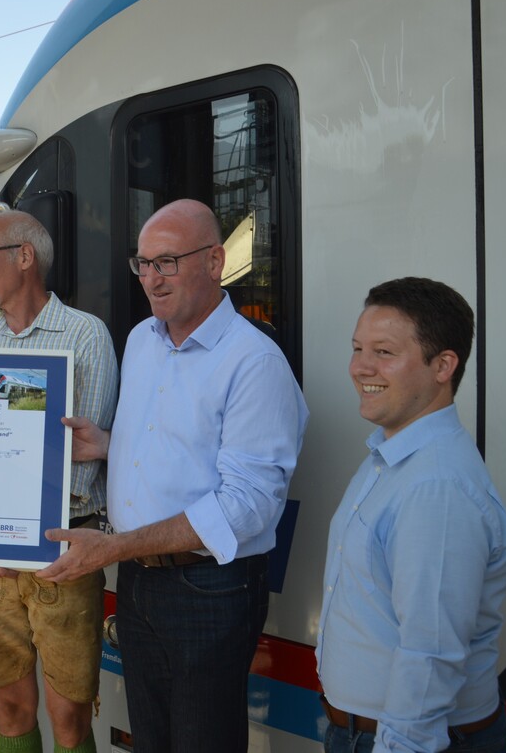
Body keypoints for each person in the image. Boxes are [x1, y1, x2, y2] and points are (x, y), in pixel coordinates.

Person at [38, 198, 308, 752]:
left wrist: (116, 547)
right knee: (152, 738)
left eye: (167, 262)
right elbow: (174, 447)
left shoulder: (255, 362)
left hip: (208, 588)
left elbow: (247, 505)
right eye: (142, 264)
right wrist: (107, 445)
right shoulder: (143, 339)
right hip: (140, 581)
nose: (151, 279)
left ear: (215, 262)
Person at [316, 277, 506, 752]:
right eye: (358, 348)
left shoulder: (436, 487)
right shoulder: (393, 456)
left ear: (443, 366)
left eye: (383, 352)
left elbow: (431, 653)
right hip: (364, 732)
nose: (361, 367)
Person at [0, 210, 118, 753]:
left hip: (63, 550)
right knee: (7, 705)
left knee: (69, 713)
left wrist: (10, 533)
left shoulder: (86, 335)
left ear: (24, 257)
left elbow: (80, 460)